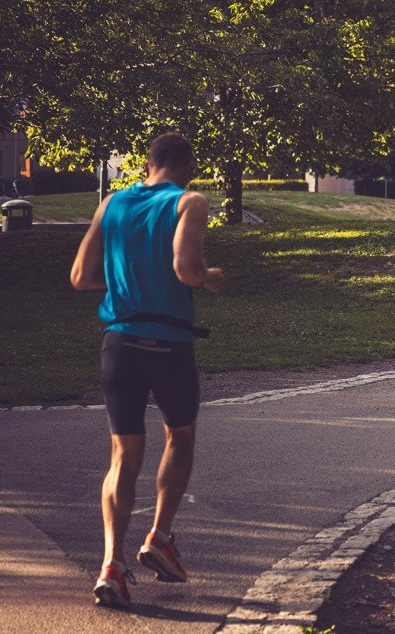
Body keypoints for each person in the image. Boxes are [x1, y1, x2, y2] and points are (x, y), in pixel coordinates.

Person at [69, 132, 225, 609]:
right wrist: (210, 278)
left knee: (123, 457)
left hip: (119, 343)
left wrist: (123, 286)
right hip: (169, 344)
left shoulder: (112, 202)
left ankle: (111, 565)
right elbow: (186, 268)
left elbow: (79, 278)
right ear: (188, 165)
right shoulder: (190, 202)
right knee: (180, 435)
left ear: (147, 163)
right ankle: (159, 537)